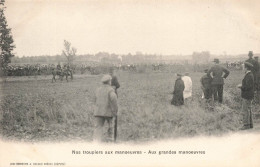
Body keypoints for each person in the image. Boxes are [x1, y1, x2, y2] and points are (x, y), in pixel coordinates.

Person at [93, 75, 118, 142]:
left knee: (97, 129)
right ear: (109, 82)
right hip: (109, 113)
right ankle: (110, 144)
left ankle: (96, 144)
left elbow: (94, 100)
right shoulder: (111, 90)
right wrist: (115, 112)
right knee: (111, 129)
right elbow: (114, 102)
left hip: (98, 112)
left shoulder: (97, 90)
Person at [237, 62, 254, 130]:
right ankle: (250, 124)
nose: (243, 68)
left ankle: (246, 125)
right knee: (249, 109)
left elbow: (247, 87)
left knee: (245, 110)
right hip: (249, 95)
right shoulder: (250, 75)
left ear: (246, 68)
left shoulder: (249, 75)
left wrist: (241, 86)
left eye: (244, 67)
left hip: (247, 95)